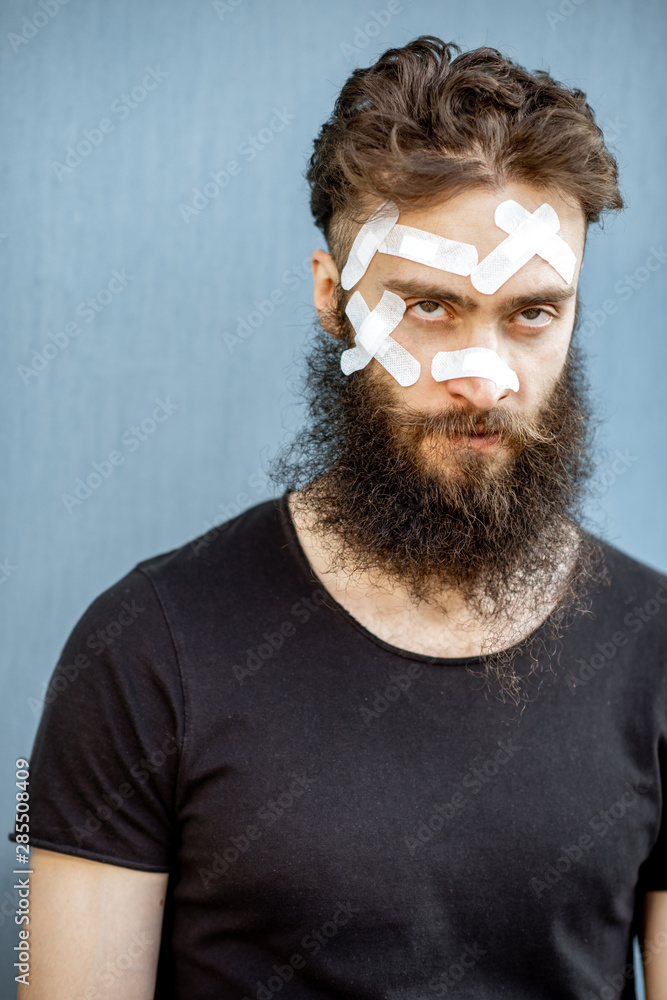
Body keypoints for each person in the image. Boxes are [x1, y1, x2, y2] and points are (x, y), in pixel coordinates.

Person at [10, 35, 667, 1000]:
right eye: (429, 307)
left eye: (531, 312)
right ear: (334, 299)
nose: (480, 377)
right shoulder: (143, 650)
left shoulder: (656, 650)